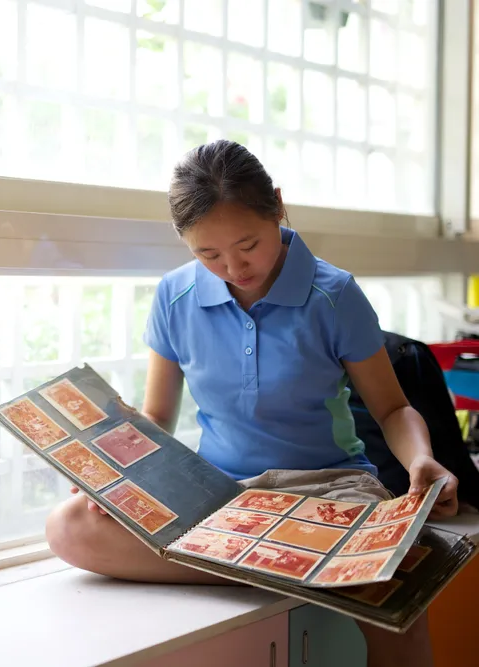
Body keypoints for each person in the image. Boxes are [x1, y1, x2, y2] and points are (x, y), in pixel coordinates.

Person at [46, 140, 458, 667]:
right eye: (208, 254)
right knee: (69, 525)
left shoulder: (334, 294)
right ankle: (300, 564)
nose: (234, 268)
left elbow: (393, 411)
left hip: (330, 490)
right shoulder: (174, 297)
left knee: (402, 604)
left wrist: (420, 460)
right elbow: (155, 418)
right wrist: (121, 481)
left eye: (249, 245)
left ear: (278, 207)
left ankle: (293, 557)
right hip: (220, 496)